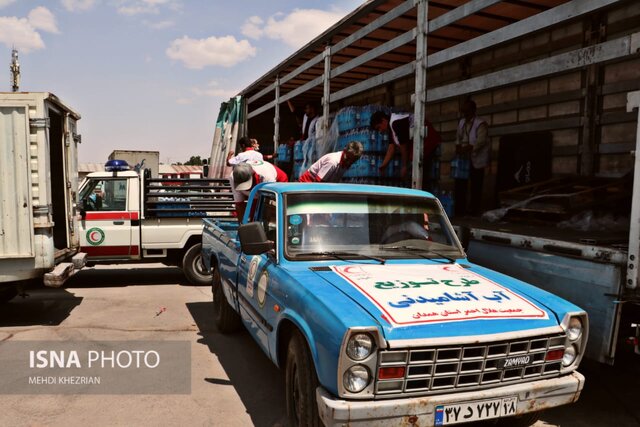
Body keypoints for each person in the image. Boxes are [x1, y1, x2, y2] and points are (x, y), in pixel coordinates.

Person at [370, 111, 441, 189]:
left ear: (383, 120)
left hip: (427, 141)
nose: (380, 131)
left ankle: (423, 195)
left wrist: (404, 166)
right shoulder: (391, 127)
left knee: (421, 175)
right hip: (419, 144)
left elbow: (404, 147)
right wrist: (383, 166)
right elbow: (391, 148)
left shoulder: (396, 123)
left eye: (379, 127)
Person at [454, 98, 489, 216]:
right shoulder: (462, 122)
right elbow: (458, 137)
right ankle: (460, 209)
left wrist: (468, 148)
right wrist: (458, 147)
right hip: (464, 160)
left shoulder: (481, 123)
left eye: (467, 111)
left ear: (473, 111)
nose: (465, 114)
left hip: (476, 160)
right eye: (463, 111)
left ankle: (474, 210)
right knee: (460, 185)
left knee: (476, 186)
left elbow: (481, 141)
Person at [298, 141, 363, 183]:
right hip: (308, 183)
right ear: (345, 151)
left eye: (353, 160)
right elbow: (318, 182)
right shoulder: (333, 162)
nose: (350, 162)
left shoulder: (346, 163)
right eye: (349, 158)